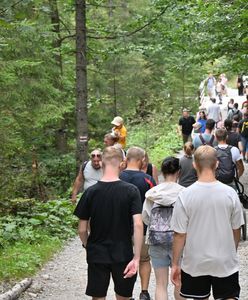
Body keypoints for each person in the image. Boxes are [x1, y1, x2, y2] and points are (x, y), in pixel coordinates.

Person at [170, 145, 244, 300]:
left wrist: (175, 264)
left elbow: (179, 235)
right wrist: (231, 251)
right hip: (224, 261)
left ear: (194, 164)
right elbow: (236, 229)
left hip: (195, 262)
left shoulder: (185, 195)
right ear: (216, 163)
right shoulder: (230, 194)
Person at [74, 146, 143, 300]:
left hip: (97, 254)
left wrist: (88, 245)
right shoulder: (131, 191)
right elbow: (138, 225)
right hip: (123, 253)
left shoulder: (90, 192)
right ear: (122, 164)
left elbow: (82, 229)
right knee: (124, 296)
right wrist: (136, 258)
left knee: (98, 297)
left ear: (102, 163)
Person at [142, 157, 184, 300]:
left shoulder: (153, 193)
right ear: (179, 172)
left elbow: (146, 218)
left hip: (156, 241)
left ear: (162, 172)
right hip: (180, 242)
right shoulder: (185, 193)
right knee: (179, 283)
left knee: (161, 284)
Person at [120, 147, 156, 300]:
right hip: (143, 227)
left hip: (121, 227)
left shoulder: (118, 177)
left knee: (123, 260)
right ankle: (144, 291)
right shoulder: (148, 179)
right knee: (144, 259)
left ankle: (124, 294)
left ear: (126, 159)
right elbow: (155, 203)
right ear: (142, 160)